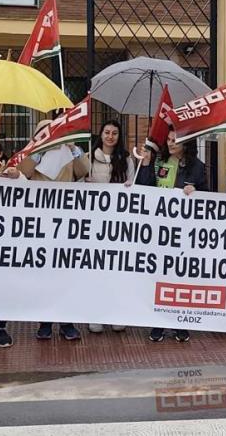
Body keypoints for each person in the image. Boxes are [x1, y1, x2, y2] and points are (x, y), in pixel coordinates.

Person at [11, 119, 89, 342]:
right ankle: (45, 322)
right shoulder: (33, 154)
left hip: (64, 222)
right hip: (40, 222)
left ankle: (67, 322)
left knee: (64, 273)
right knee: (43, 274)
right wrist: (36, 152)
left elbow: (84, 170)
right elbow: (22, 172)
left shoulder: (68, 152)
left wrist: (74, 148)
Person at [139, 129, 208, 343]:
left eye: (175, 141)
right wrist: (147, 164)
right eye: (168, 140)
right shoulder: (159, 161)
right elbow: (144, 187)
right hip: (158, 230)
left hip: (183, 231)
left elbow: (208, 195)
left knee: (180, 278)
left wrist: (195, 191)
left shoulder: (197, 166)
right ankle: (158, 323)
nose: (170, 144)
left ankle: (180, 323)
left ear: (186, 143)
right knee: (158, 277)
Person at [83, 120, 134, 334]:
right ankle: (95, 315)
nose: (110, 136)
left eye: (114, 133)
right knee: (96, 271)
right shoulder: (88, 158)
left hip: (118, 224)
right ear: (101, 134)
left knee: (117, 270)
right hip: (94, 223)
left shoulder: (127, 160)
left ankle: (117, 314)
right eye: (106, 132)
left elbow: (134, 184)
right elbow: (77, 184)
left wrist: (132, 186)